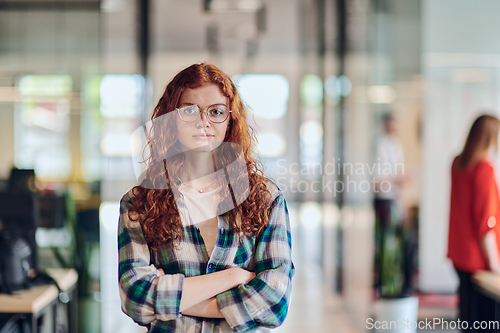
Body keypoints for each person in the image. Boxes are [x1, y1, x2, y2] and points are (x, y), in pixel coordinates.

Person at [118, 63, 294, 333]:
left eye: (216, 111)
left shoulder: (265, 198)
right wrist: (234, 277)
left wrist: (174, 301)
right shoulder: (139, 203)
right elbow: (134, 297)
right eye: (189, 110)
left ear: (230, 119)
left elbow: (275, 301)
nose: (203, 122)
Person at [448, 114, 500, 332]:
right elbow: (485, 224)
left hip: (459, 254)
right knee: (485, 322)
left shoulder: (458, 164)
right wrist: (496, 266)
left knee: (468, 318)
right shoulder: (483, 170)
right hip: (478, 260)